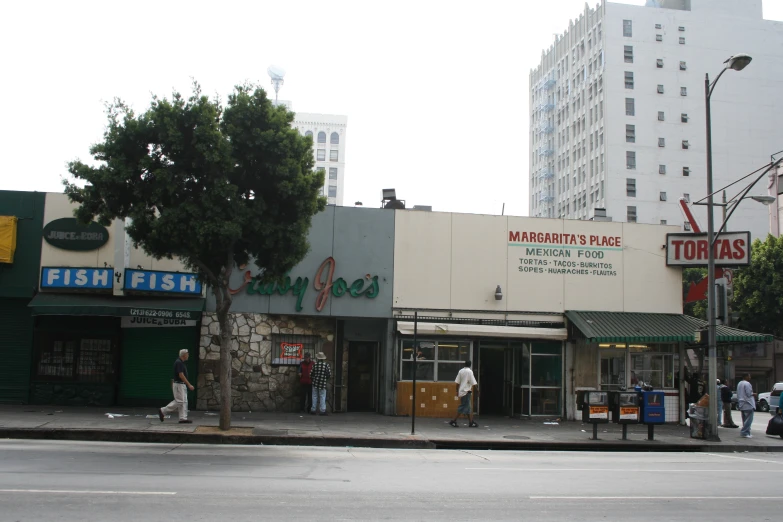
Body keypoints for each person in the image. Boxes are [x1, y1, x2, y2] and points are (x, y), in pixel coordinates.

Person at [158, 349, 194, 424]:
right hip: (179, 385)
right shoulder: (179, 363)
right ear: (184, 355)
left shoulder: (181, 362)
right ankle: (163, 410)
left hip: (181, 385)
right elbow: (181, 375)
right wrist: (189, 384)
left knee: (184, 401)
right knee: (180, 401)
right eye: (187, 354)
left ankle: (183, 418)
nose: (188, 355)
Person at [450, 360, 479, 428]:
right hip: (466, 391)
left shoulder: (461, 371)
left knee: (468, 407)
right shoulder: (469, 371)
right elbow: (473, 382)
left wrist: (457, 391)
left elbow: (457, 382)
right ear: (470, 365)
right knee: (463, 406)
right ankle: (453, 421)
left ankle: (471, 422)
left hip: (462, 391)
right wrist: (477, 390)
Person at [309, 352, 331, 416]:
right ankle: (322, 410)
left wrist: (314, 378)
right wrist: (324, 378)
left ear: (318, 358)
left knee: (314, 396)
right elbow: (329, 374)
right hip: (323, 383)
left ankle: (313, 410)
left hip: (315, 383)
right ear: (323, 358)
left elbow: (311, 374)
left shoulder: (315, 365)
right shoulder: (326, 365)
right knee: (322, 396)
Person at [737, 373, 756, 438]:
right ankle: (744, 432)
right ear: (746, 377)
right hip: (748, 403)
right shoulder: (747, 384)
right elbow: (749, 393)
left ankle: (747, 432)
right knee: (748, 420)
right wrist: (754, 394)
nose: (750, 377)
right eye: (749, 376)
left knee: (744, 419)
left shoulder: (739, 383)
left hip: (741, 403)